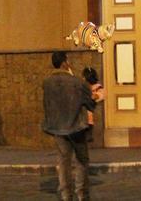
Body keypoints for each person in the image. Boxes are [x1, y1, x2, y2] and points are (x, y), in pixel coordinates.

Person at [42, 51, 100, 201]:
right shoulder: (77, 83)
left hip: (58, 128)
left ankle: (66, 195)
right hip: (77, 128)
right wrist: (94, 98)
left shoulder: (47, 83)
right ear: (64, 63)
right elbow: (90, 104)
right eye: (67, 60)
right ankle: (82, 194)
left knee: (63, 162)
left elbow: (47, 105)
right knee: (81, 161)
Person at [80, 66, 104, 143]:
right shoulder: (83, 87)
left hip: (89, 114)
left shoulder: (97, 87)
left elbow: (99, 95)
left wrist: (93, 96)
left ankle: (88, 135)